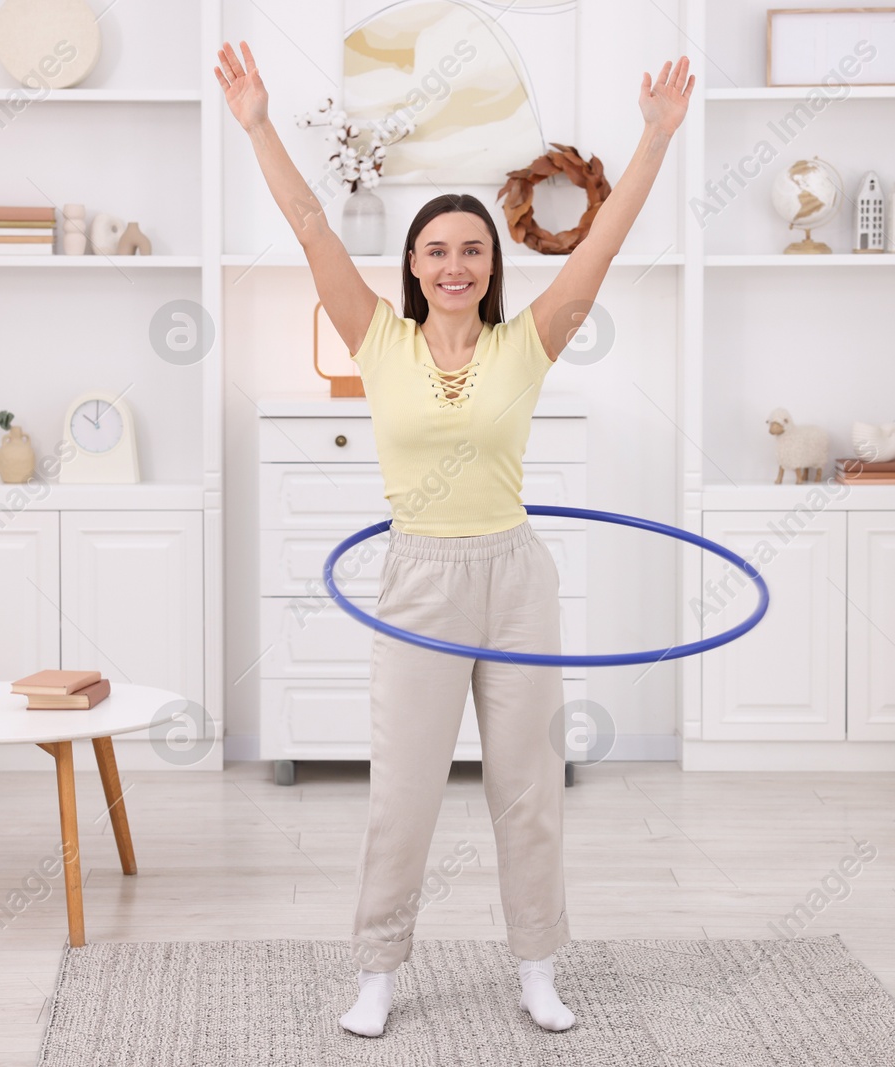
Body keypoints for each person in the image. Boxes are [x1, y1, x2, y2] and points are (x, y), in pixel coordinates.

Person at [214, 39, 693, 1038]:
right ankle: (377, 969)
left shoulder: (531, 342)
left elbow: (603, 242)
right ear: (413, 265)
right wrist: (257, 123)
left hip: (514, 576)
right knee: (403, 793)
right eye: (435, 250)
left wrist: (652, 139)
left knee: (527, 791)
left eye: (471, 249)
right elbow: (308, 224)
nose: (454, 264)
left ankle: (536, 964)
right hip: (418, 574)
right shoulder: (377, 339)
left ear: (493, 264)